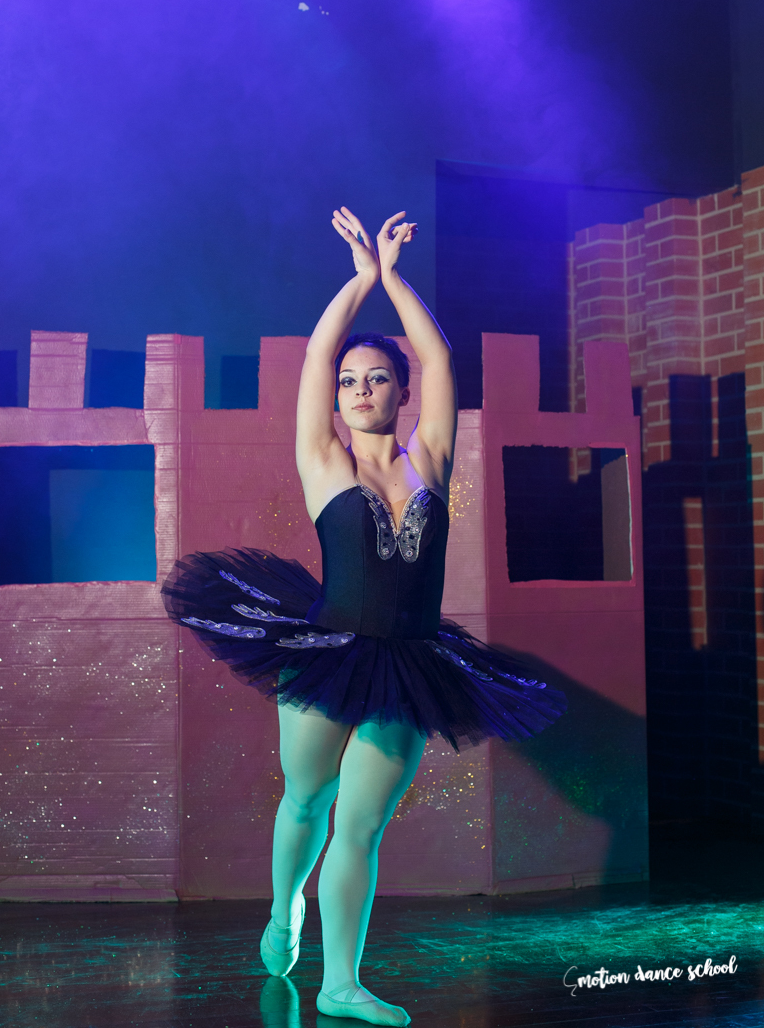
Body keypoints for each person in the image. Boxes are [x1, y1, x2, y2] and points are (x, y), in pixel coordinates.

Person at [162, 207, 566, 1026]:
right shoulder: (322, 461)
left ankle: (340, 983)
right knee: (306, 801)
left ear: (402, 392)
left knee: (360, 827)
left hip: (410, 664)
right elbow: (316, 356)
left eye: (376, 378)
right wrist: (358, 281)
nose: (358, 390)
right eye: (349, 382)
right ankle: (284, 911)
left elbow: (440, 356)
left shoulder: (431, 460)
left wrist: (395, 278)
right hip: (327, 654)